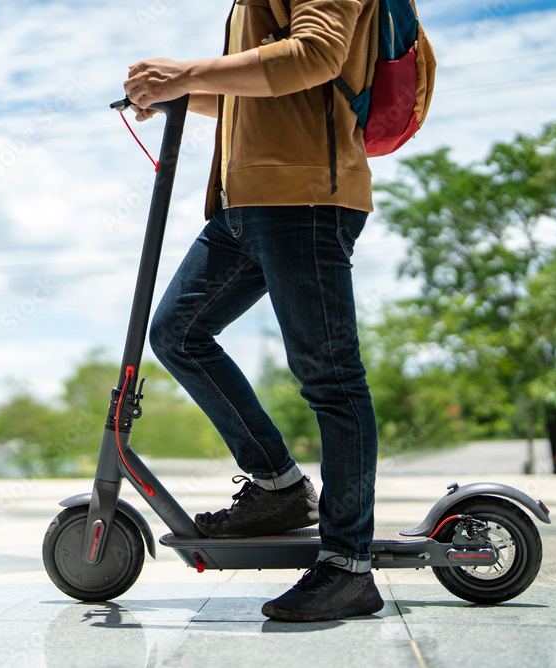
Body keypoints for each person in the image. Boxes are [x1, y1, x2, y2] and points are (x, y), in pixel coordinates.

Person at [123, 0, 383, 622]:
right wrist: (179, 93)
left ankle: (349, 566)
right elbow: (262, 93)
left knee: (330, 376)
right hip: (245, 204)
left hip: (303, 199)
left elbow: (316, 57)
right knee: (178, 334)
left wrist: (187, 73)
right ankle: (278, 488)